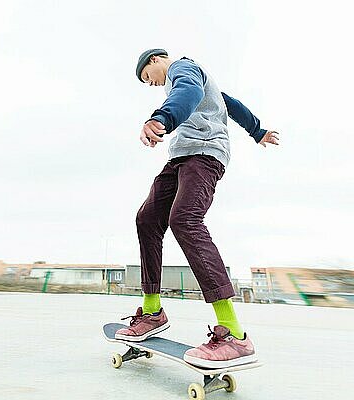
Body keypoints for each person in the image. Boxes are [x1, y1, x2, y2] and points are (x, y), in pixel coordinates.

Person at [114, 49, 279, 368]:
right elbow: (230, 104)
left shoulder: (183, 69)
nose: (151, 84)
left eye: (148, 78)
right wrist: (257, 131)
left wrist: (162, 117)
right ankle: (152, 311)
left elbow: (186, 91)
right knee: (147, 219)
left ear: (155, 61)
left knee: (185, 219)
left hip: (204, 156)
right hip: (180, 159)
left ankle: (233, 333)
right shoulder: (199, 80)